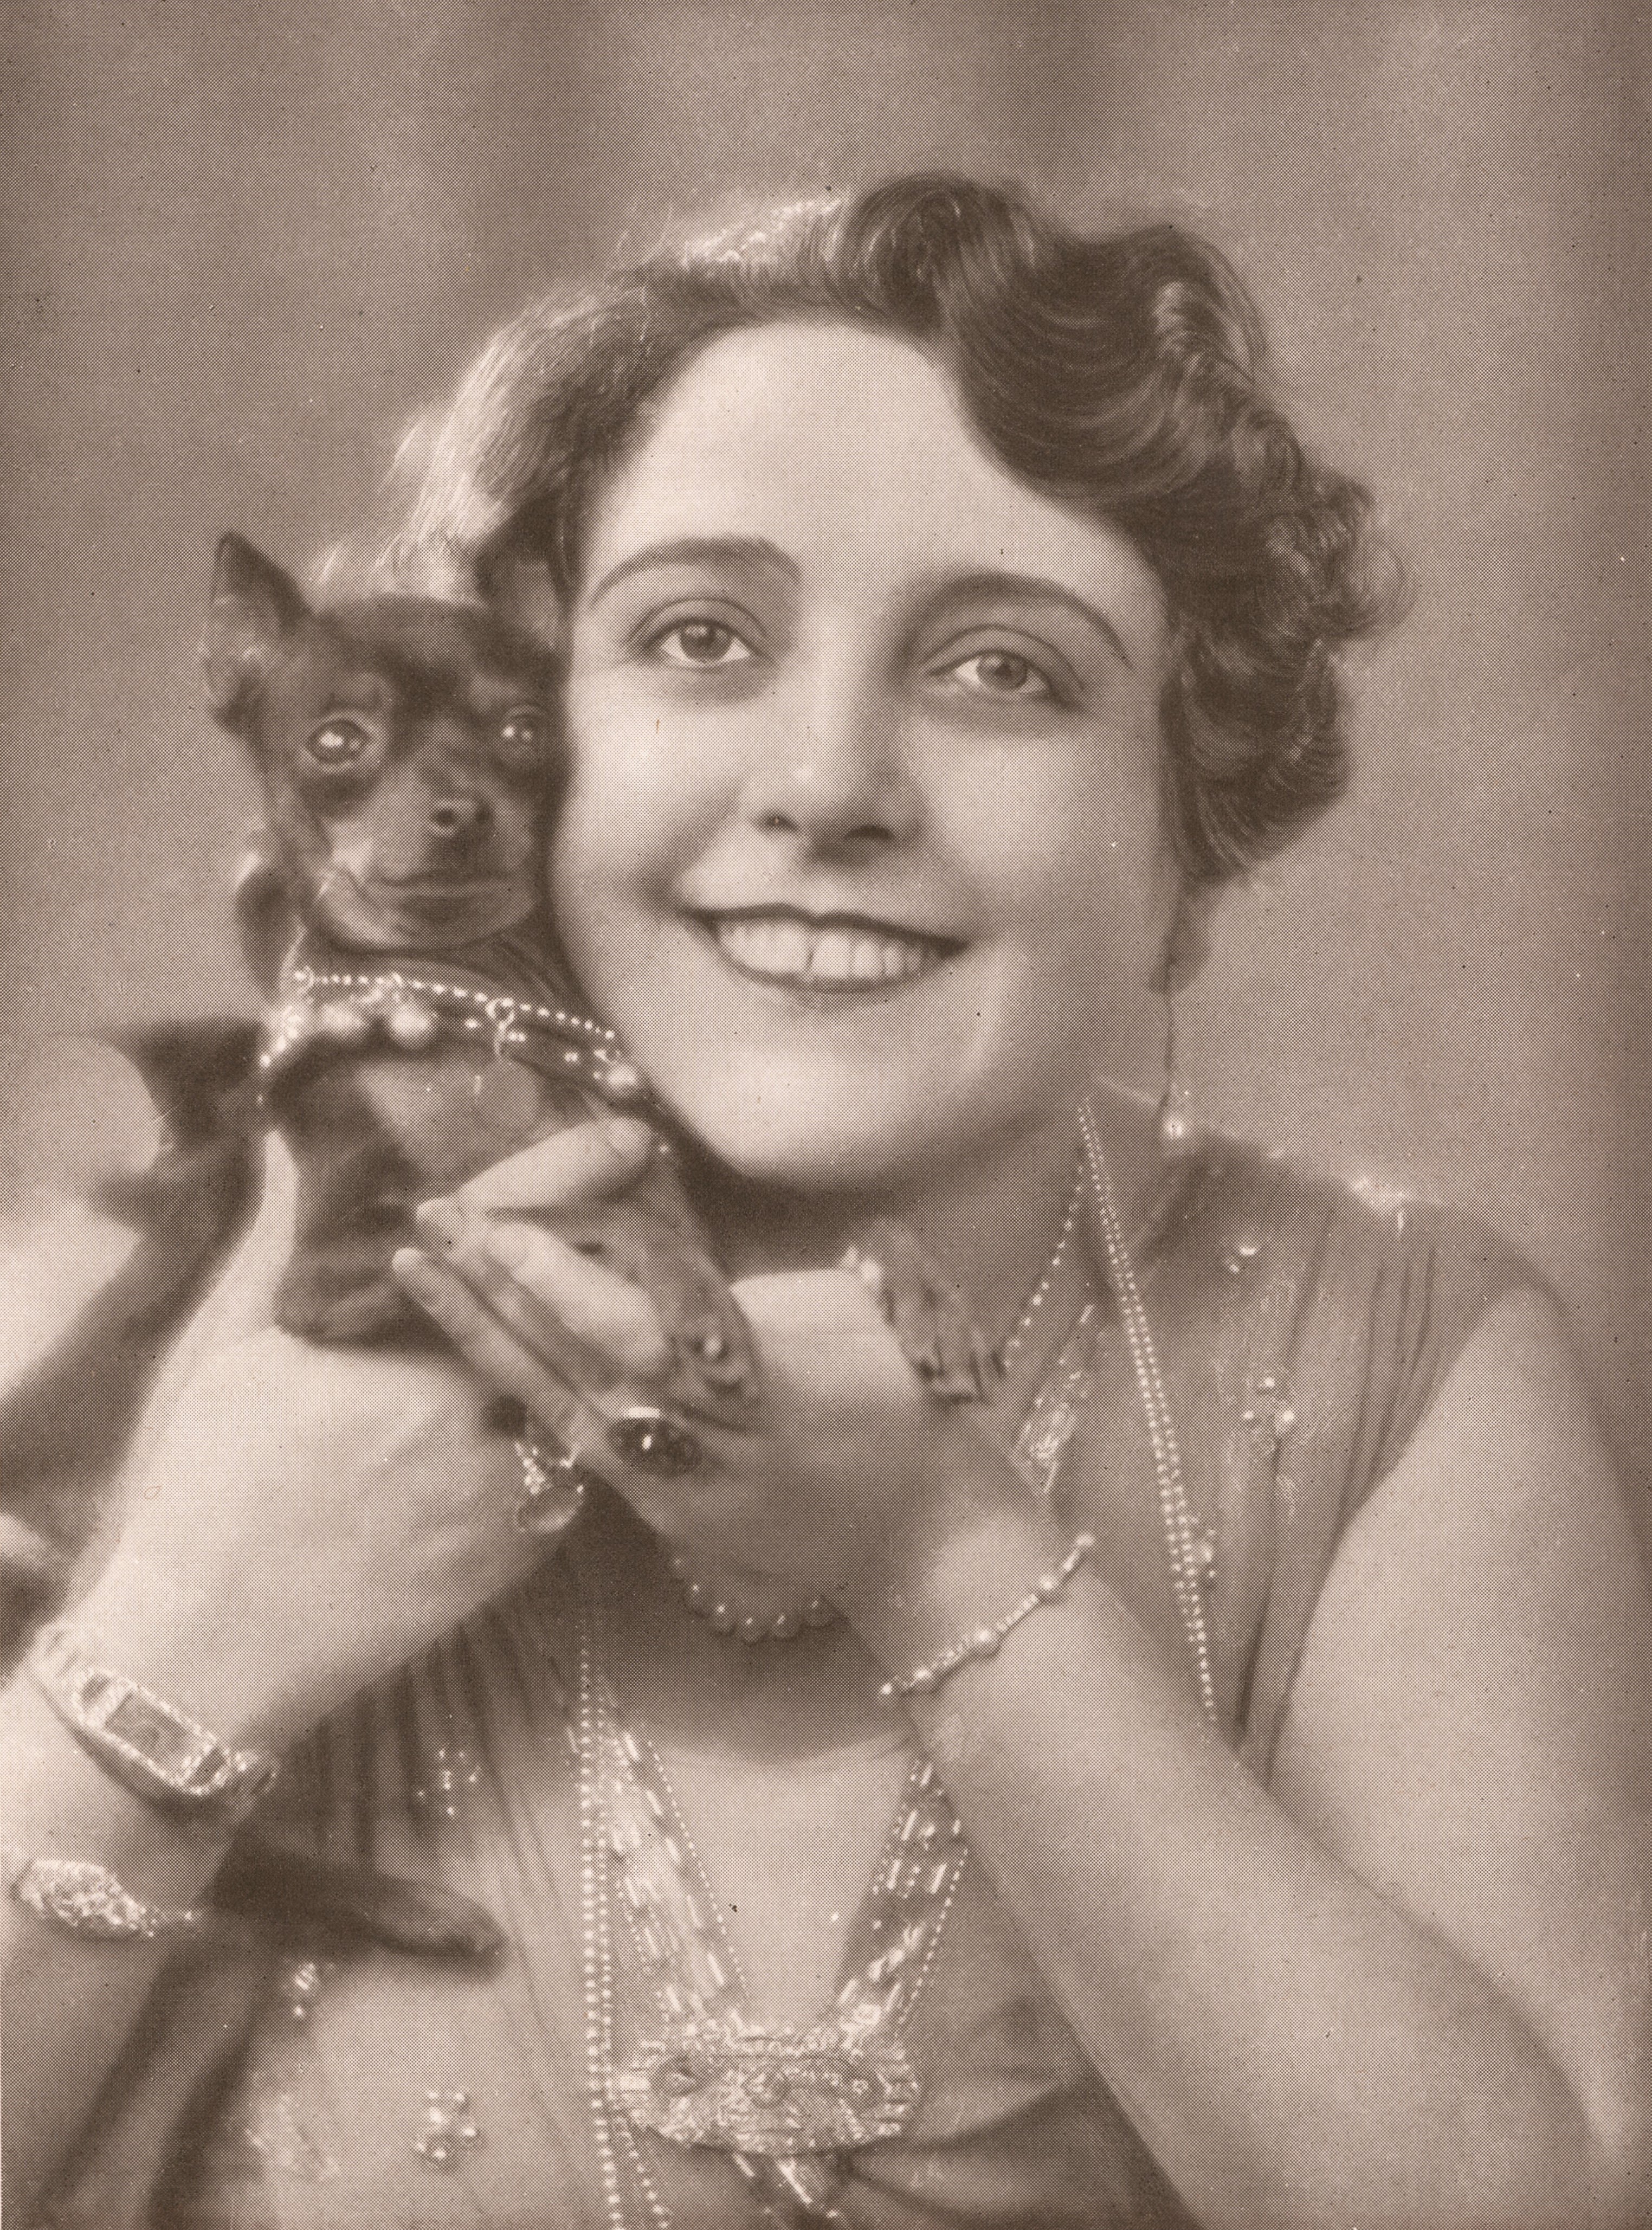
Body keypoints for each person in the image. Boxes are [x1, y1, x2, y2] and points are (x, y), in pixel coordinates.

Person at [2, 175, 1648, 2230]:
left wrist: (946, 1550)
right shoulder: (117, 1318)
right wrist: (182, 1641)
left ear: (1187, 841)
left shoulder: (1405, 1358)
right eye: (700, 636)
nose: (830, 784)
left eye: (1007, 672)